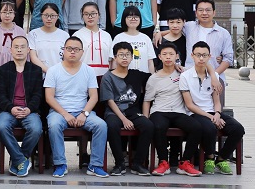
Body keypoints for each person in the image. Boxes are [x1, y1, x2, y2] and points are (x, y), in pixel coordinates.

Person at [44, 36, 108, 178]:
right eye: (69, 48)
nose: (72, 52)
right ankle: (60, 164)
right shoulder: (53, 70)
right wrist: (65, 114)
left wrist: (84, 114)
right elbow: (49, 97)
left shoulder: (89, 71)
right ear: (63, 50)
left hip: (82, 111)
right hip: (59, 112)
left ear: (82, 52)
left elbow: (94, 96)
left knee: (101, 125)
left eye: (76, 49)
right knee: (54, 125)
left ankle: (95, 165)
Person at [180, 41, 244, 176]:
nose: (201, 58)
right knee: (210, 128)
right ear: (192, 56)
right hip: (195, 113)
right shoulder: (185, 76)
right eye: (198, 55)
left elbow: (216, 102)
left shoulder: (213, 76)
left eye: (204, 55)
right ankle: (209, 158)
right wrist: (212, 117)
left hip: (213, 112)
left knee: (238, 129)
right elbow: (189, 105)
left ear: (210, 56)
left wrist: (217, 114)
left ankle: (221, 159)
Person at [142, 42, 202, 177]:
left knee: (196, 127)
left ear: (177, 56)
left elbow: (203, 67)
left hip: (179, 112)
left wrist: (214, 77)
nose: (168, 57)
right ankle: (163, 162)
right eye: (164, 54)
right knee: (158, 126)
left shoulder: (184, 73)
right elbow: (147, 101)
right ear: (159, 57)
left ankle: (185, 163)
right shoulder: (153, 78)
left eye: (171, 54)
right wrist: (146, 119)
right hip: (159, 111)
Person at [99, 41, 153, 176]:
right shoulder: (108, 77)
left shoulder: (137, 75)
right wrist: (123, 119)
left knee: (148, 126)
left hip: (133, 112)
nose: (124, 58)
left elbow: (156, 77)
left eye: (127, 55)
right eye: (121, 55)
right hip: (114, 112)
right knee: (112, 126)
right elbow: (110, 101)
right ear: (115, 57)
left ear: (132, 57)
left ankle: (138, 164)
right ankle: (119, 164)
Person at [0, 35, 43, 177]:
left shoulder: (36, 70)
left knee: (36, 128)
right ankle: (21, 160)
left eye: (22, 47)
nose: (19, 50)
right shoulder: (3, 69)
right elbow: (0, 94)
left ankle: (18, 159)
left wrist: (29, 109)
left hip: (29, 110)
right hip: (8, 110)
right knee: (2, 126)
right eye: (16, 47)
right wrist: (11, 108)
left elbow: (38, 95)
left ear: (28, 50)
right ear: (11, 50)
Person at [181, 0, 234, 105]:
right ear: (196, 12)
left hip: (215, 78)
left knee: (216, 110)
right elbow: (174, 29)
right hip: (190, 77)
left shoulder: (223, 33)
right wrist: (159, 33)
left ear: (214, 12)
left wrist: (214, 75)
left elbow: (228, 58)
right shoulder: (189, 27)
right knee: (189, 110)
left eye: (208, 10)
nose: (204, 13)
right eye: (200, 10)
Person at [0, 1, 27, 82]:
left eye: (10, 12)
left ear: (14, 14)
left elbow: (25, 54)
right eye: (4, 12)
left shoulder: (20, 31)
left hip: (16, 72)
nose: (7, 15)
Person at [111, 6, 157, 73]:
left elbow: (150, 62)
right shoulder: (118, 38)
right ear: (124, 19)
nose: (133, 19)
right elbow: (114, 61)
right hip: (123, 76)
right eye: (129, 16)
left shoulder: (146, 38)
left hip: (143, 76)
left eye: (136, 17)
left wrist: (151, 77)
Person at [28, 3, 70, 74]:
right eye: (46, 15)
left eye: (52, 16)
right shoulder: (33, 34)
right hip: (39, 74)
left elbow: (67, 57)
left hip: (60, 73)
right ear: (41, 16)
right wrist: (49, 72)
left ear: (58, 16)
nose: (49, 19)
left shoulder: (64, 35)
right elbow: (33, 57)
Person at [74, 2, 112, 77]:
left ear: (99, 15)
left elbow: (111, 59)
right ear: (82, 17)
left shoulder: (107, 36)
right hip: (83, 76)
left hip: (105, 77)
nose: (90, 17)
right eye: (86, 14)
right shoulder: (77, 35)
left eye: (93, 13)